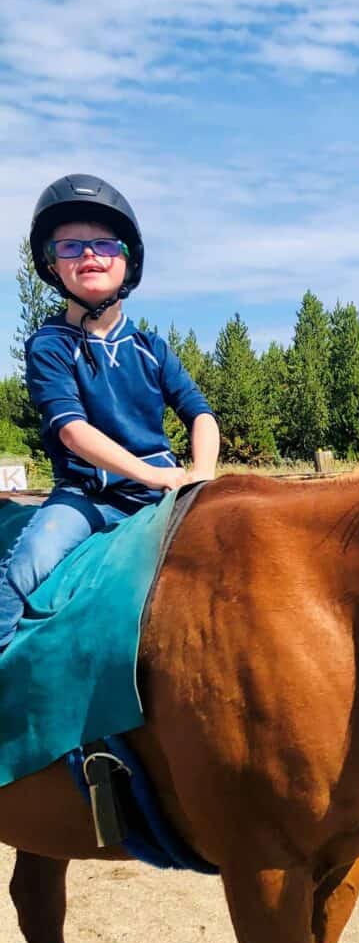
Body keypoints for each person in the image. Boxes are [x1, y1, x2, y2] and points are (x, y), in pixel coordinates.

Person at [0, 173, 219, 653]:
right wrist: (155, 475)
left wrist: (201, 474)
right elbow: (74, 432)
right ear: (52, 266)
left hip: (164, 492)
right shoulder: (49, 345)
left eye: (104, 243)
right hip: (87, 498)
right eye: (71, 247)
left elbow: (200, 414)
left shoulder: (151, 348)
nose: (90, 255)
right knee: (23, 569)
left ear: (127, 259)